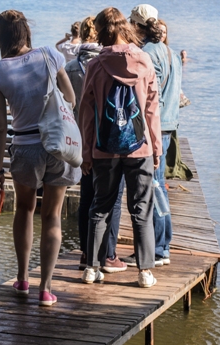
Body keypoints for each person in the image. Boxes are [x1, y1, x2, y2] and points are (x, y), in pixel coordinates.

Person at [0, 10, 81, 307]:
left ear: (0, 38)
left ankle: (22, 279)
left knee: (24, 211)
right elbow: (70, 99)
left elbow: (1, 126)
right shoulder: (50, 56)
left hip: (25, 148)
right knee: (52, 215)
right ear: (26, 32)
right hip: (57, 144)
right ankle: (46, 288)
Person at [78, 7, 162, 289]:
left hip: (104, 148)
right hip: (141, 148)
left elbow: (86, 112)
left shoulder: (95, 65)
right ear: (125, 28)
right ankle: (145, 271)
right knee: (142, 209)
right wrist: (157, 147)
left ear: (101, 31)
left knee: (100, 206)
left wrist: (86, 152)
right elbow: (151, 109)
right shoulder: (145, 61)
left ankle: (92, 267)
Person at [65, 18, 126, 274]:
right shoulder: (109, 64)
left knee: (87, 198)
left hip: (80, 140)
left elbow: (67, 105)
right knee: (112, 199)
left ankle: (86, 254)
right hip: (108, 139)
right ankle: (108, 255)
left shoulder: (70, 67)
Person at [128, 4, 182, 267]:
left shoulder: (146, 53)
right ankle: (161, 246)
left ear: (138, 27)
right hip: (169, 125)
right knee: (159, 187)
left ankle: (159, 248)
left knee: (153, 188)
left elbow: (150, 99)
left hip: (154, 128)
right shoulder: (171, 52)